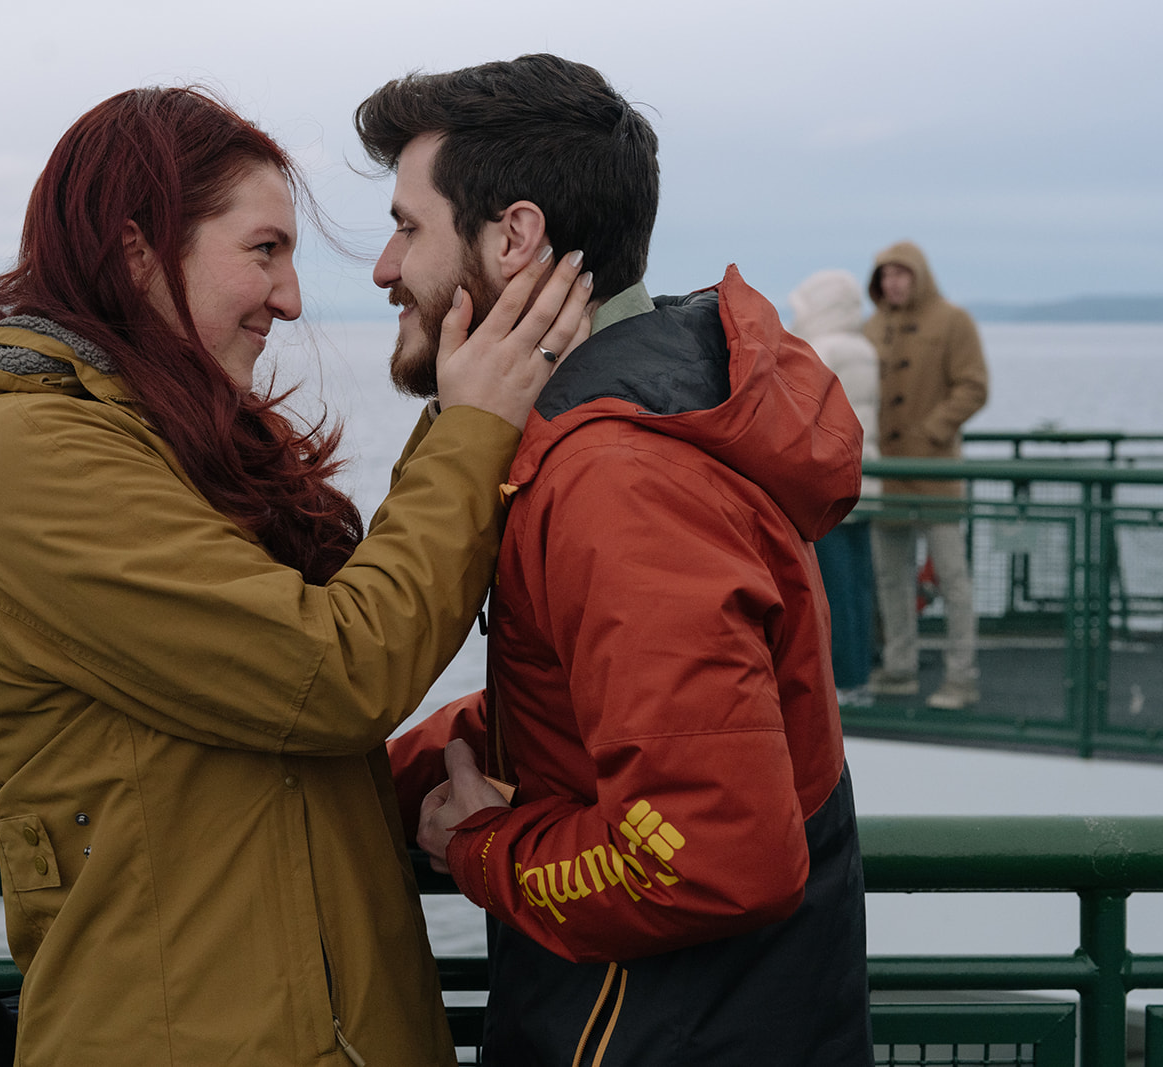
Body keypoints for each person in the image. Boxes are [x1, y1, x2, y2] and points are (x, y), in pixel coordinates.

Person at [0, 86, 591, 1066]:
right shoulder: (35, 458)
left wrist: (458, 760)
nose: (292, 297)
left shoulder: (155, 442)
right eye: (265, 250)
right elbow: (331, 672)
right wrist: (473, 426)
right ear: (137, 251)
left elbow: (254, 754)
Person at [358, 55, 875, 1065]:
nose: (384, 267)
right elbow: (605, 714)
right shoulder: (631, 423)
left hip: (664, 1032)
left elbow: (711, 849)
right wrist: (377, 777)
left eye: (407, 226)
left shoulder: (619, 480)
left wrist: (477, 844)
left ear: (512, 237)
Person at [863, 241, 990, 709]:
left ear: (920, 275)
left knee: (954, 580)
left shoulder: (953, 320)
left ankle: (962, 677)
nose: (892, 282)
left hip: (935, 471)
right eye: (885, 275)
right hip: (884, 475)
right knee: (891, 579)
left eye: (901, 273)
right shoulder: (871, 327)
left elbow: (974, 385)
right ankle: (900, 668)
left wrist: (932, 430)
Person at [790, 269, 881, 707]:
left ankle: (842, 678)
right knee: (858, 585)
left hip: (829, 485)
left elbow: (800, 410)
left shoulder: (822, 349)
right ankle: (859, 672)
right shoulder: (862, 346)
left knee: (833, 587)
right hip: (865, 482)